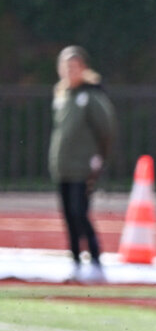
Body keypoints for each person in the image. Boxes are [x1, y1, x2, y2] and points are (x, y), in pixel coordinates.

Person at [49, 46, 116, 283]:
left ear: (83, 68)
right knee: (68, 216)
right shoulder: (62, 96)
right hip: (63, 167)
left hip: (82, 168)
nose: (70, 71)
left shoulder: (91, 96)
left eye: (74, 66)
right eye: (66, 66)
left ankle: (96, 261)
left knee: (80, 213)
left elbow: (106, 129)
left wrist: (98, 158)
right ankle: (76, 263)